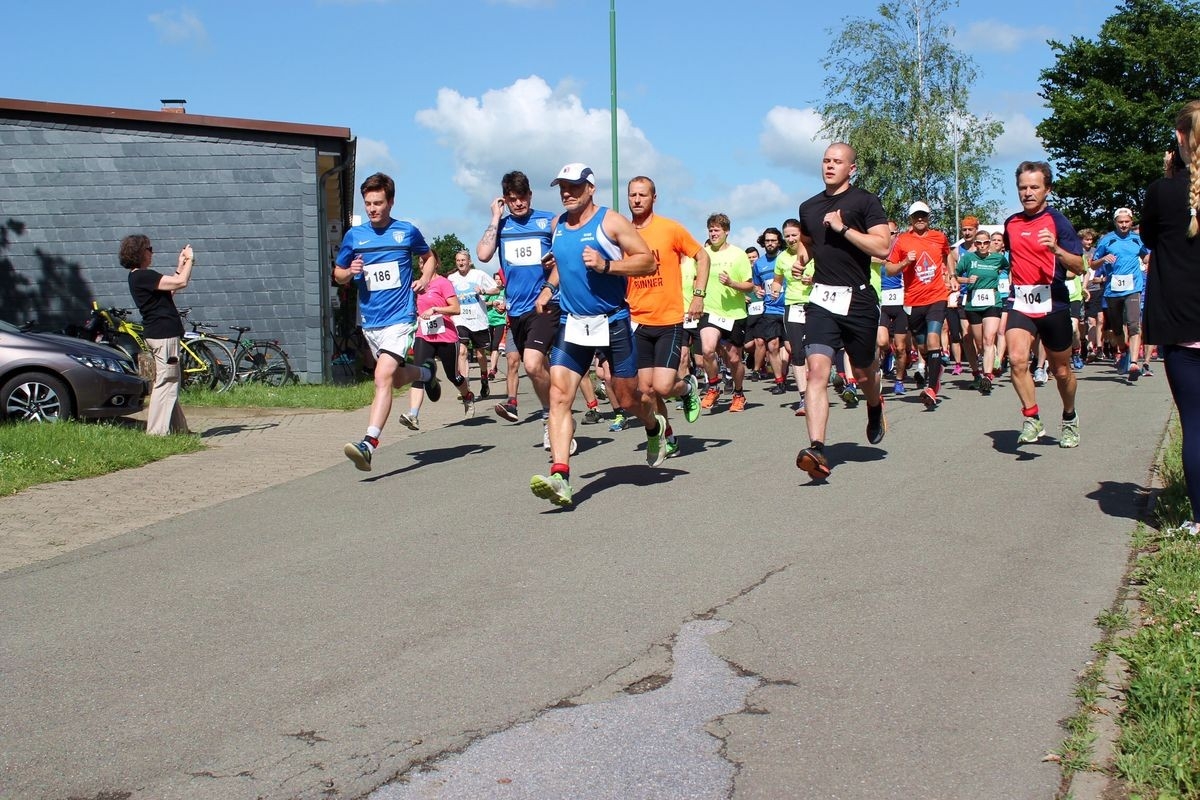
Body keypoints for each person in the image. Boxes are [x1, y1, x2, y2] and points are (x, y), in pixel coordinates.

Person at [529, 163, 656, 507]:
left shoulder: (611, 221)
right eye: (561, 187)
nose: (566, 193)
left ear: (590, 188)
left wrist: (607, 266)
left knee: (627, 399)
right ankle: (560, 476)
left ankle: (653, 424)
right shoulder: (557, 225)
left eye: (573, 186)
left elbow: (647, 261)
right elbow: (561, 266)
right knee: (558, 396)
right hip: (573, 321)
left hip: (612, 319)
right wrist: (547, 288)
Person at [794, 143, 892, 479]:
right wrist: (803, 257)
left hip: (859, 300)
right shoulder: (809, 207)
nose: (830, 166)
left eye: (838, 161)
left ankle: (875, 404)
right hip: (822, 298)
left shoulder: (865, 201)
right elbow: (807, 241)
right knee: (816, 373)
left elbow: (883, 246)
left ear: (852, 168)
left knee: (864, 374)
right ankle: (818, 449)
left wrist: (844, 229)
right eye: (826, 160)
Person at [334, 172, 441, 472]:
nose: (372, 209)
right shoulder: (355, 236)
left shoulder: (406, 232)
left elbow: (429, 257)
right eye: (368, 203)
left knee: (382, 377)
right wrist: (349, 271)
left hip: (400, 317)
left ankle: (368, 444)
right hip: (371, 321)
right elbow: (338, 275)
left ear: (391, 202)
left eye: (378, 203)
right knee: (393, 379)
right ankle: (425, 373)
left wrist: (424, 278)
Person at [1142, 99, 1200, 534]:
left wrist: (1171, 176)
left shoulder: (1164, 192)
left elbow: (1150, 234)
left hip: (1182, 325)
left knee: (1194, 422)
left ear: (1180, 139)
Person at [1001, 161, 1085, 447]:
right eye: (1023, 187)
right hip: (1022, 299)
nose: (1028, 193)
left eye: (1034, 187)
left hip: (1054, 302)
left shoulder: (1058, 221)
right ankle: (1032, 417)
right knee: (1016, 358)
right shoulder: (1011, 223)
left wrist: (1056, 250)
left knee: (1061, 372)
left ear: (1047, 189)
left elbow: (1080, 265)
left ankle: (1070, 417)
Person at [625, 175, 710, 455]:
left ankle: (687, 388)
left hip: (669, 320)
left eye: (643, 195)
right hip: (637, 320)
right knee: (645, 390)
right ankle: (669, 436)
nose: (637, 200)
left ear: (653, 198)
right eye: (633, 195)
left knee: (662, 386)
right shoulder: (622, 233)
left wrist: (698, 295)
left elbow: (702, 256)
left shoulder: (670, 228)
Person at [476, 171, 557, 437]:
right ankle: (553, 411)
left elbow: (566, 254)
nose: (519, 203)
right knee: (537, 368)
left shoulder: (548, 221)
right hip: (516, 310)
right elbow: (484, 254)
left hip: (544, 305)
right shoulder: (502, 226)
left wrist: (554, 259)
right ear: (506, 200)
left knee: (532, 364)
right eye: (512, 199)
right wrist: (495, 217)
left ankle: (552, 419)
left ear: (530, 196)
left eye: (522, 198)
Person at [121, 234, 193, 435]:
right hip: (164, 335)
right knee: (166, 382)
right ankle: (157, 432)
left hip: (158, 334)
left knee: (168, 380)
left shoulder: (138, 277)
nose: (152, 253)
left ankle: (179, 430)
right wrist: (191, 259)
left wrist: (181, 264)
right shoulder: (144, 276)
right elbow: (181, 282)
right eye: (149, 249)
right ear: (140, 253)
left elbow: (169, 290)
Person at [886, 201, 952, 408]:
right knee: (923, 347)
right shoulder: (902, 241)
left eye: (923, 215)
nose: (920, 219)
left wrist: (952, 274)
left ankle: (932, 389)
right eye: (916, 216)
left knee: (934, 340)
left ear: (928, 217)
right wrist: (906, 262)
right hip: (913, 301)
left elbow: (947, 253)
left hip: (937, 297)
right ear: (911, 219)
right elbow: (889, 269)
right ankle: (935, 367)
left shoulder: (939, 237)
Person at [398, 272, 475, 429]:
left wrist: (435, 309)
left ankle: (467, 396)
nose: (422, 266)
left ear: (434, 263)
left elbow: (456, 308)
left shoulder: (443, 283)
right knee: (418, 373)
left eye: (425, 261)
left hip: (446, 335)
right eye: (420, 263)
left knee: (453, 376)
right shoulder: (416, 285)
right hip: (424, 335)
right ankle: (413, 415)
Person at [697, 213, 755, 413]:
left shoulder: (738, 254)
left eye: (717, 230)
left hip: (734, 313)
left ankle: (739, 393)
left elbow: (750, 286)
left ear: (726, 232)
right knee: (707, 350)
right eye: (710, 230)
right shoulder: (703, 254)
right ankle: (713, 386)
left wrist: (731, 283)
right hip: (710, 311)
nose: (713, 234)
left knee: (734, 359)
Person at [1093, 208, 1151, 382]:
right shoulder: (1107, 240)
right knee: (1117, 328)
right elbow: (1093, 264)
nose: (1124, 225)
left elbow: (1146, 257)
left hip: (1133, 288)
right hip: (1113, 290)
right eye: (1120, 222)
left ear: (1131, 221)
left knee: (1134, 325)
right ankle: (1124, 351)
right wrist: (1103, 259)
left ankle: (1133, 363)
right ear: (1115, 222)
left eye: (1127, 221)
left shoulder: (1137, 239)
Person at [956, 229, 1007, 394]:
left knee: (988, 339)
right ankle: (977, 374)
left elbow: (1009, 268)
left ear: (990, 243)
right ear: (975, 244)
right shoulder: (968, 258)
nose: (983, 246)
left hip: (993, 302)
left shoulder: (998, 258)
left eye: (986, 242)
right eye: (979, 243)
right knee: (979, 344)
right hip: (973, 304)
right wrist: (965, 280)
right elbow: (953, 276)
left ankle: (987, 376)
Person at [448, 250, 499, 398]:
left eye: (463, 260)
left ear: (469, 261)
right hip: (460, 319)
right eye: (458, 260)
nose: (460, 263)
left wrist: (483, 290)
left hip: (478, 319)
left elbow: (496, 288)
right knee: (462, 351)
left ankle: (484, 379)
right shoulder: (451, 278)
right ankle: (466, 386)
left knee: (480, 354)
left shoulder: (479, 274)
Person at [749, 228, 789, 393]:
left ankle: (795, 372)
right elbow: (756, 284)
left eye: (773, 240)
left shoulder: (786, 258)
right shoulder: (759, 264)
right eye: (767, 241)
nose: (770, 243)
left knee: (791, 348)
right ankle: (779, 381)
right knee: (772, 346)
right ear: (763, 243)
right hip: (770, 309)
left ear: (779, 242)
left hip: (789, 306)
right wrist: (757, 290)